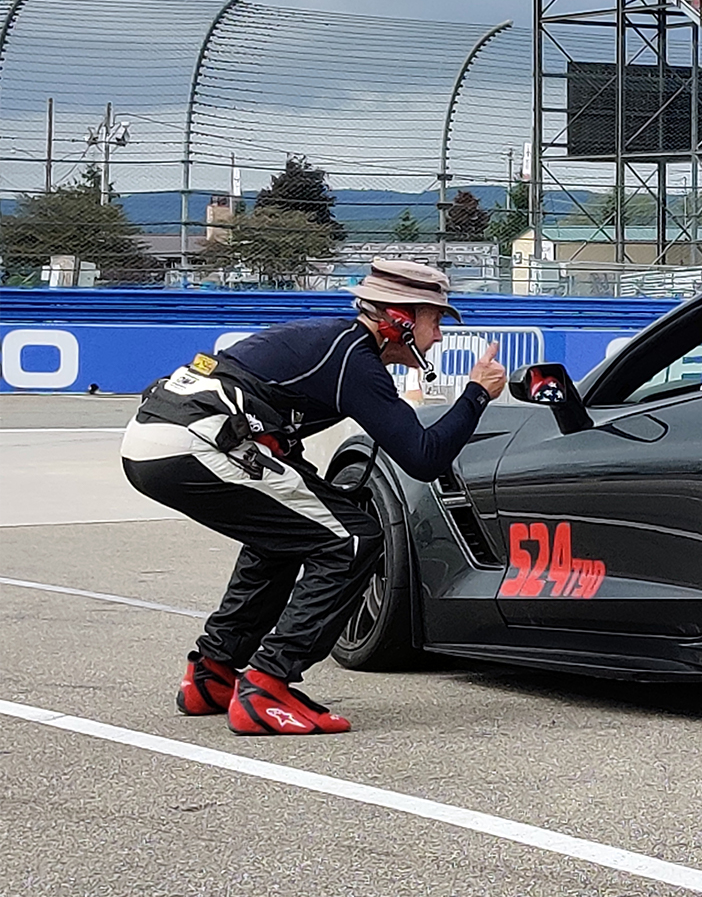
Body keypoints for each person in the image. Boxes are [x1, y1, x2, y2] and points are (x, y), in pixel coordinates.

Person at [120, 260, 507, 736]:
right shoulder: (355, 358)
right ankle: (268, 683)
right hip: (197, 441)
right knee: (354, 540)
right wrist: (476, 394)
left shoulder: (334, 342)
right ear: (401, 318)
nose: (441, 335)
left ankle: (212, 675)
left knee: (290, 536)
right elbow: (424, 458)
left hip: (157, 440)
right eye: (436, 320)